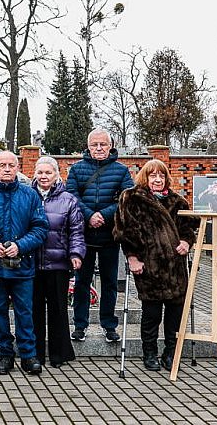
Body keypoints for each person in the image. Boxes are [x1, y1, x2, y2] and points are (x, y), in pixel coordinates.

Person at [113, 160, 197, 372]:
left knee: (174, 314)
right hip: (148, 266)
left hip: (175, 267)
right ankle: (149, 353)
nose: (158, 180)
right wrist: (132, 258)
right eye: (153, 176)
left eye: (161, 176)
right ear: (145, 177)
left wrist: (186, 243)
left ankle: (170, 353)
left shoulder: (178, 202)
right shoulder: (131, 198)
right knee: (151, 314)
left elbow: (188, 229)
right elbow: (124, 232)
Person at [0, 151, 49, 375]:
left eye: (11, 165)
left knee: (24, 311)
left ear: (18, 168)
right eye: (2, 165)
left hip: (22, 264)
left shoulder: (30, 195)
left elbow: (40, 228)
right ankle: (5, 354)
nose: (7, 169)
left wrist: (21, 245)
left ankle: (28, 355)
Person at [66, 128, 134, 344]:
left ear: (110, 145)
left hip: (109, 235)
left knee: (110, 283)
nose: (98, 148)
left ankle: (109, 324)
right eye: (94, 144)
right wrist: (89, 216)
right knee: (81, 282)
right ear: (88, 146)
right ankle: (79, 325)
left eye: (102, 144)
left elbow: (126, 199)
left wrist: (103, 215)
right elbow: (71, 197)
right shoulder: (76, 170)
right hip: (83, 235)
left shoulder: (121, 171)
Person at [31, 156, 84, 368]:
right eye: (40, 172)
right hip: (32, 262)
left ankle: (58, 353)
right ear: (34, 174)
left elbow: (77, 231)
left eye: (48, 173)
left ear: (56, 175)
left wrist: (76, 254)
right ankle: (35, 354)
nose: (44, 177)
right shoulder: (28, 196)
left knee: (58, 309)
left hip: (58, 263)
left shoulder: (68, 199)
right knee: (34, 309)